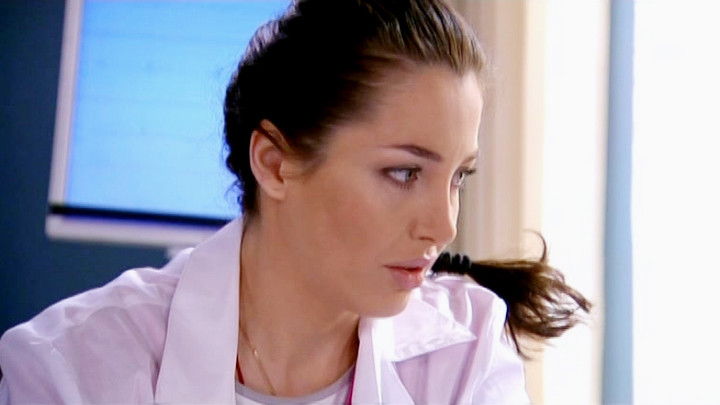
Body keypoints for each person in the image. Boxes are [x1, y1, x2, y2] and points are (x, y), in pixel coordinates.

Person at [0, 0, 590, 403]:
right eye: (404, 172)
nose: (443, 225)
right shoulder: (69, 369)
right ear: (275, 163)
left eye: (459, 177)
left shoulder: (467, 354)